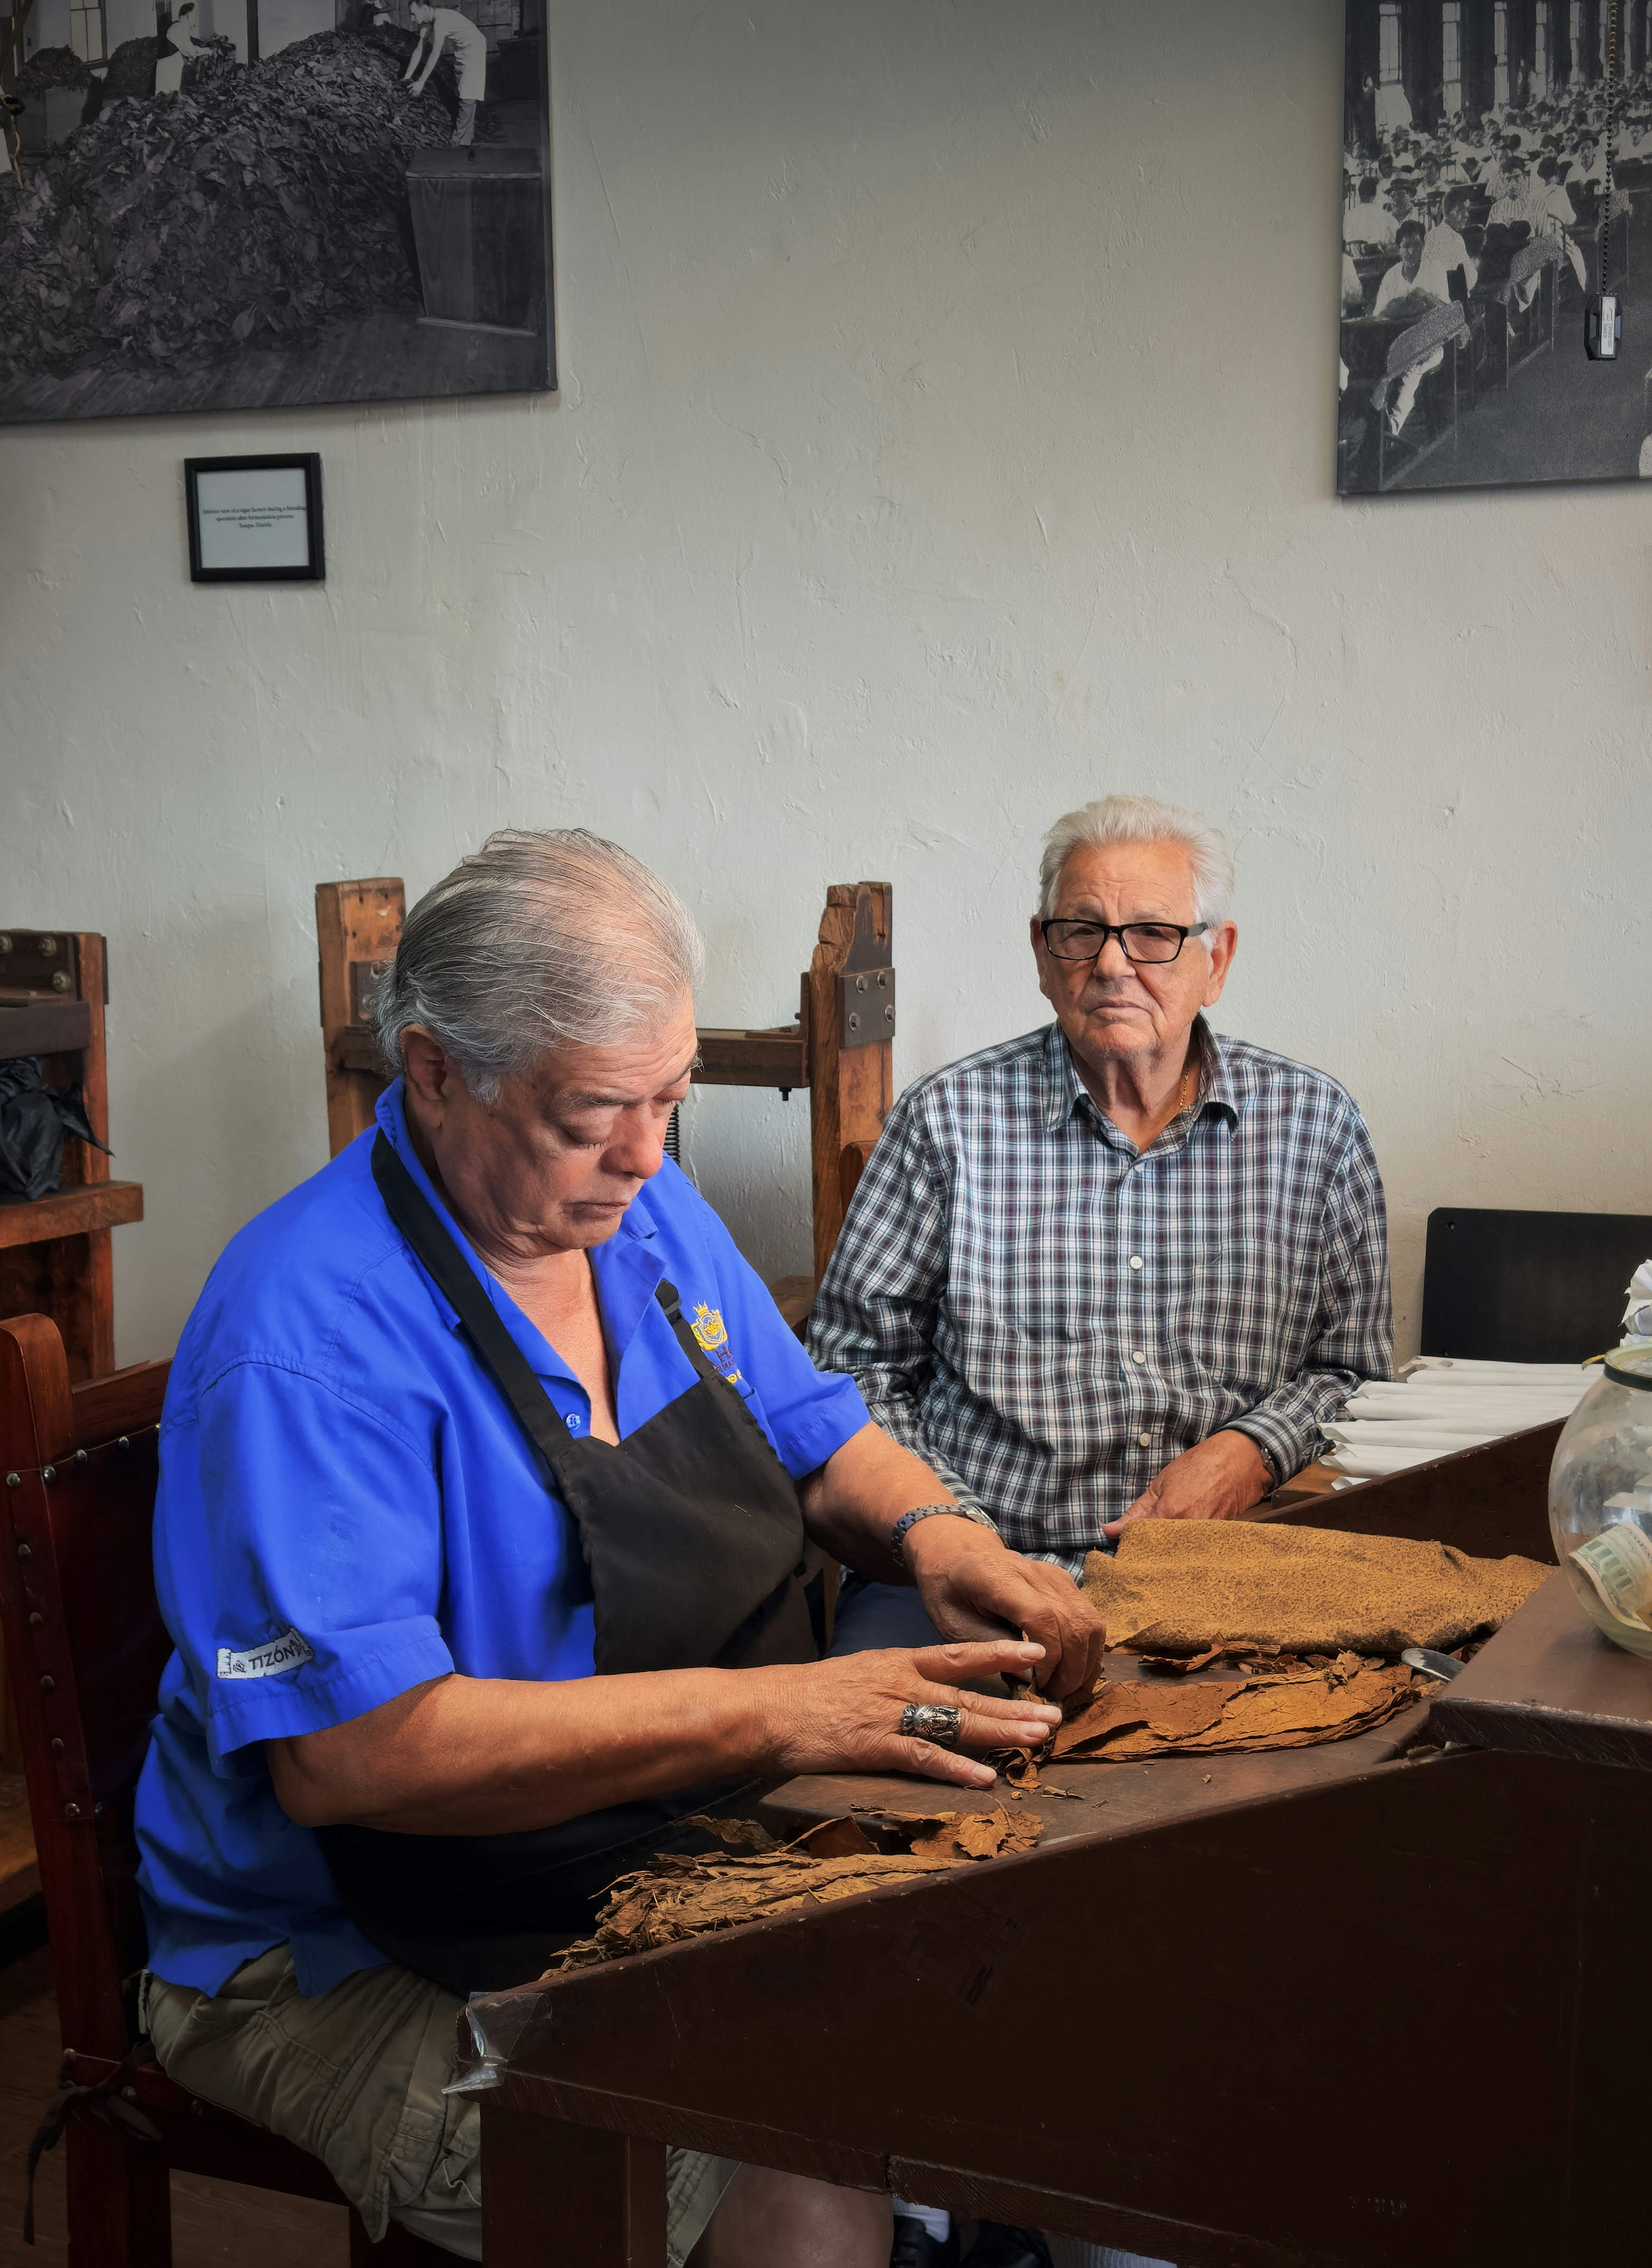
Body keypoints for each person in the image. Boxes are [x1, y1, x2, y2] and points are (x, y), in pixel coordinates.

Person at [132, 828, 1103, 2267]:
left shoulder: (639, 1213)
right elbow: (356, 1755)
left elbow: (814, 1426)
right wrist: (784, 1713)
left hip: (640, 1847)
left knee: (1048, 1974)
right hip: (338, 1946)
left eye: (670, 1096)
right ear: (435, 1070)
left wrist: (942, 1531)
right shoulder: (310, 1339)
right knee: (806, 2185)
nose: (647, 1156)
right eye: (594, 1111)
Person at [810, 793, 1390, 1627]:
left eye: (1154, 934)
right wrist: (954, 1532)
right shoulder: (947, 1120)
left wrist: (1251, 1452)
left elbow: (1354, 1371)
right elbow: (852, 1373)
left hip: (1231, 1569)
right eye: (1080, 931)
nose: (1113, 965)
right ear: (1043, 956)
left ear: (1215, 960)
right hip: (972, 1564)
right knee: (894, 1748)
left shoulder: (1315, 1125)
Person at [404, 2, 489, 147]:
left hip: (474, 48)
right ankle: (466, 140)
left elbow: (435, 53)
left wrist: (421, 82)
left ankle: (458, 143)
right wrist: (407, 76)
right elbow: (420, 49)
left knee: (468, 96)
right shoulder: (428, 22)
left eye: (414, 14)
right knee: (464, 92)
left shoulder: (441, 21)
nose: (412, 19)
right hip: (462, 50)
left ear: (425, 9)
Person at [1423, 184, 1478, 293]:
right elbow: (1471, 281)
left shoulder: (1429, 236)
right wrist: (1474, 264)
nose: (1466, 215)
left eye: (1467, 210)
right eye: (1460, 210)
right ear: (1447, 213)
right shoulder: (1456, 238)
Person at [153, 0, 205, 96]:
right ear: (188, 15)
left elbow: (190, 47)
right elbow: (190, 51)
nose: (195, 20)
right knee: (168, 96)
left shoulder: (179, 27)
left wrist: (203, 51)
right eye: (194, 16)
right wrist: (206, 52)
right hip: (168, 66)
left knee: (169, 96)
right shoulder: (179, 28)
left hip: (169, 65)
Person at [1344, 174, 1394, 245]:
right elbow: (1389, 241)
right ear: (1374, 195)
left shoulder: (1349, 215)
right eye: (1381, 192)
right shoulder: (1380, 213)